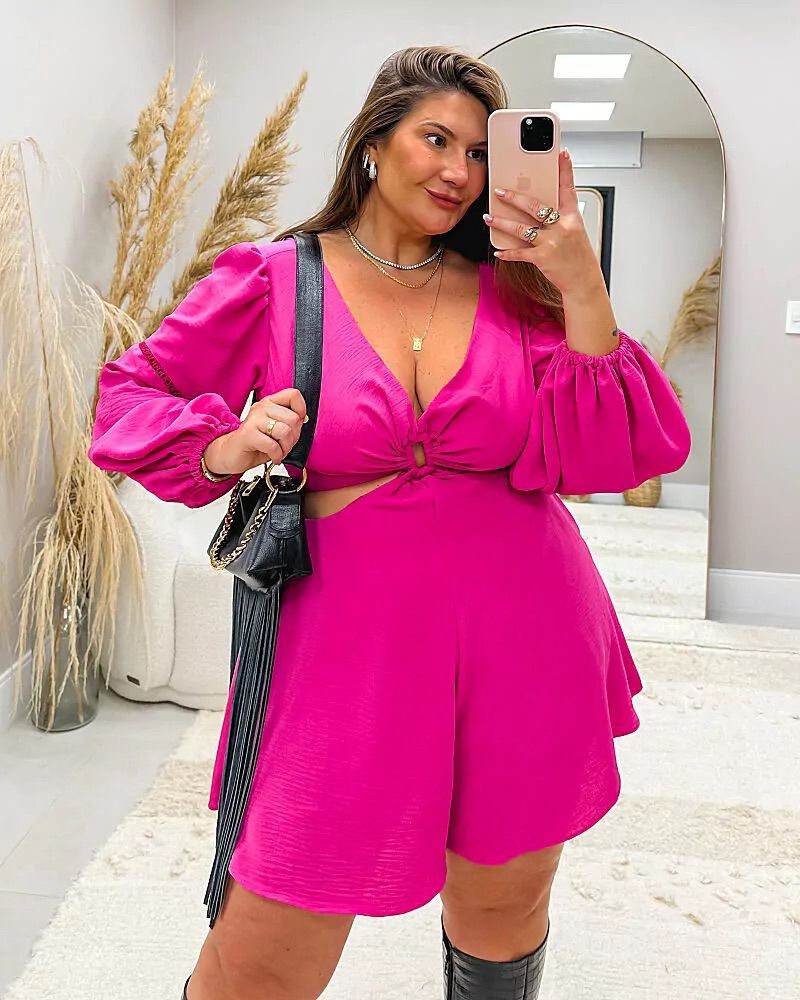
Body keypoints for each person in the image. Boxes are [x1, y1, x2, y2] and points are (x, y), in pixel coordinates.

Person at [88, 45, 691, 1000]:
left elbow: (617, 447)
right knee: (266, 946)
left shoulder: (514, 293)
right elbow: (128, 395)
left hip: (526, 632)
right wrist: (224, 445)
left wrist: (580, 282)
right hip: (345, 647)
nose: (459, 171)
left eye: (478, 152)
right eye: (435, 139)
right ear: (374, 143)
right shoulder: (274, 278)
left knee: (502, 912)